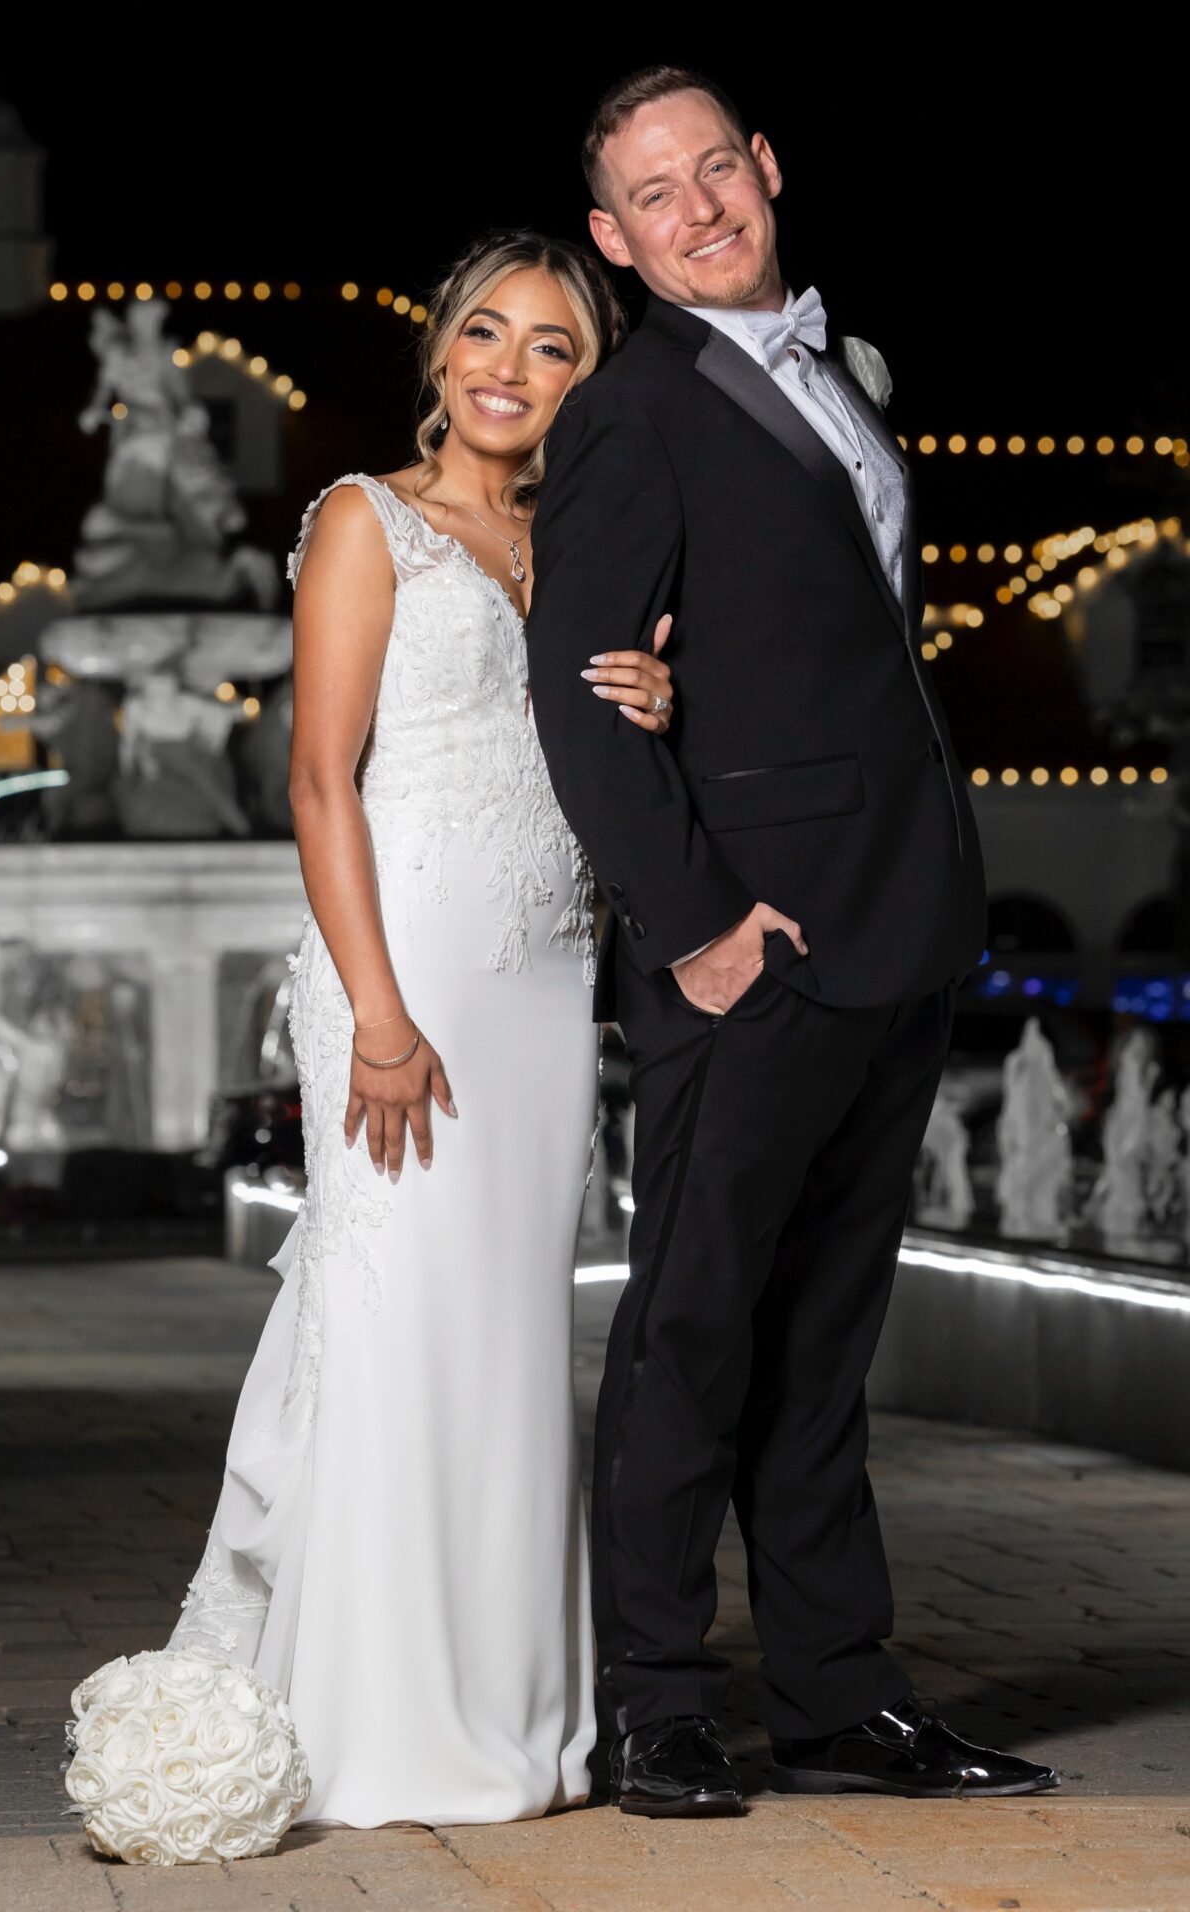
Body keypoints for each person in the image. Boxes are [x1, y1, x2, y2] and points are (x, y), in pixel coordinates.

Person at [525, 65, 1055, 1813]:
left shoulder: (850, 380)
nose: (699, 208)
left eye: (715, 171)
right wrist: (693, 933)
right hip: (749, 942)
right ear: (616, 239)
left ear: (766, 168)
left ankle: (840, 1691)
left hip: (895, 921)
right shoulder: (630, 410)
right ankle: (659, 1696)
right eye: (653, 195)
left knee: (825, 1341)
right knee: (694, 1327)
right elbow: (582, 694)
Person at [129, 231, 673, 1832]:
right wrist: (374, 1011)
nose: (508, 366)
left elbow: (593, 757)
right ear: (438, 355)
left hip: (545, 982)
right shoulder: (368, 524)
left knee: (509, 1344)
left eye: (553, 345)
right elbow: (317, 779)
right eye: (484, 334)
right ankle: (375, 1719)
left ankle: (516, 1712)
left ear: (590, 376)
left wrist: (660, 698)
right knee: (397, 1328)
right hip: (406, 965)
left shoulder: (584, 543)